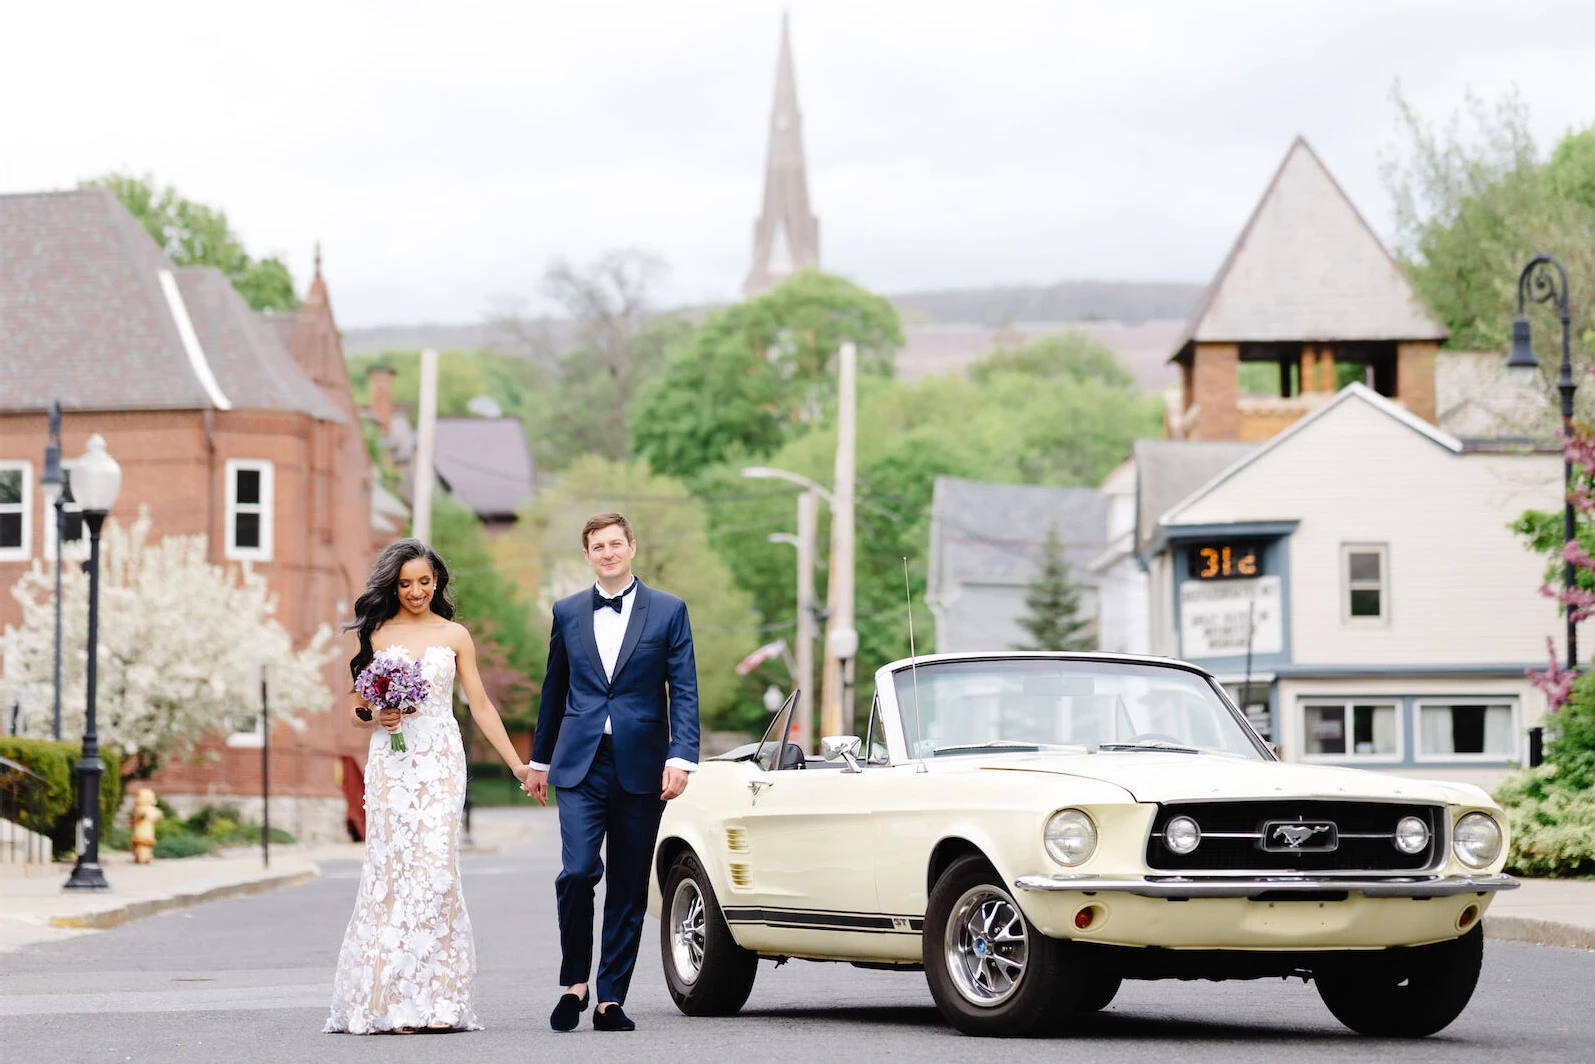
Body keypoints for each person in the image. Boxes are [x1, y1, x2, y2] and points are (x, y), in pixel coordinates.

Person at [325, 538, 532, 1035]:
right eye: (404, 583)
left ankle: (440, 999)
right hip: (392, 764)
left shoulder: (455, 634)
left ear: (436, 581)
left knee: (437, 871)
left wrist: (518, 765)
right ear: (392, 586)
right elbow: (355, 709)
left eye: (423, 581)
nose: (415, 591)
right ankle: (392, 1003)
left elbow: (480, 706)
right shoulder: (377, 631)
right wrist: (378, 715)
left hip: (440, 759)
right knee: (393, 876)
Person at [526, 512, 700, 1033]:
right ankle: (573, 983)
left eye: (615, 544)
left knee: (628, 883)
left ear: (632, 547)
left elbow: (684, 688)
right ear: (587, 555)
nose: (607, 552)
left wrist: (681, 756)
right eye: (597, 546)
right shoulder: (567, 611)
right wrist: (539, 760)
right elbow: (553, 691)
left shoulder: (669, 610)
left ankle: (610, 999)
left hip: (642, 764)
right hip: (579, 763)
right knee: (577, 872)